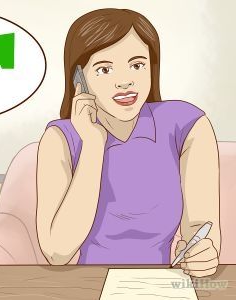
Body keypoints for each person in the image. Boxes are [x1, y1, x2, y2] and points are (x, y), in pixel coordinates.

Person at [36, 8, 221, 277]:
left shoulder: (187, 124)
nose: (125, 82)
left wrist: (203, 253)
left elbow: (202, 227)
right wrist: (93, 144)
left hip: (163, 284)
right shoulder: (59, 138)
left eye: (137, 65)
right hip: (88, 285)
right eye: (104, 69)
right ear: (79, 78)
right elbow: (57, 252)